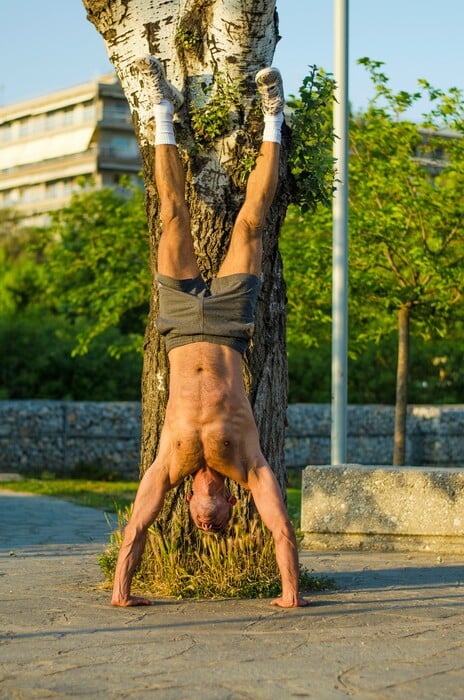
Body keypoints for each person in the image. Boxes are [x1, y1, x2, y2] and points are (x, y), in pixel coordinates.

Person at [111, 55, 307, 609]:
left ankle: (161, 108)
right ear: (226, 510)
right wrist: (290, 593)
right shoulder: (247, 465)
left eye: (198, 525)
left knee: (173, 213)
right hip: (226, 327)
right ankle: (274, 114)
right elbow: (280, 529)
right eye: (211, 525)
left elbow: (136, 528)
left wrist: (123, 593)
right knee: (250, 219)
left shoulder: (169, 465)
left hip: (176, 327)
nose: (202, 523)